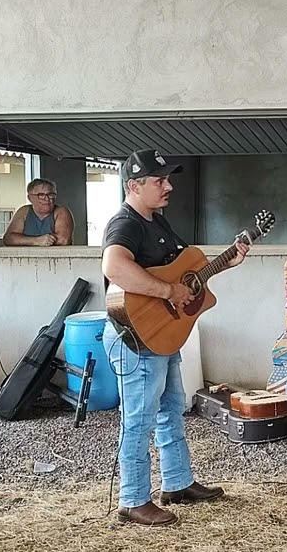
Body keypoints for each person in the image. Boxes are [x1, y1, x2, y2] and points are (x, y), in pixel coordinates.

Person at [101, 149, 249, 525]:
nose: (168, 186)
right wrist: (168, 294)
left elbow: (187, 275)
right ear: (134, 185)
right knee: (138, 419)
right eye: (158, 180)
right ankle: (133, 499)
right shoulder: (126, 223)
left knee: (169, 411)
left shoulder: (157, 222)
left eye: (168, 179)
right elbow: (115, 267)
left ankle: (178, 483)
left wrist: (225, 261)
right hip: (137, 337)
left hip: (162, 336)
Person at [2, 178, 74, 246]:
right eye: (41, 195)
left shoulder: (61, 211)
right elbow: (9, 238)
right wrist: (36, 241)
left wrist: (24, 240)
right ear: (30, 198)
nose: (47, 198)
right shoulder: (24, 211)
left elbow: (63, 239)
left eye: (50, 194)